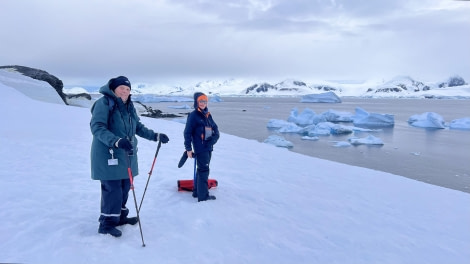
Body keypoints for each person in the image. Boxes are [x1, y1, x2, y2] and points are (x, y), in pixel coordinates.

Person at [90, 76, 169, 237]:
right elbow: (97, 127)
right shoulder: (104, 103)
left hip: (127, 155)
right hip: (109, 154)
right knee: (112, 190)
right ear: (113, 89)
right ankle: (106, 224)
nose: (125, 92)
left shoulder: (129, 106)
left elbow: (137, 127)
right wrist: (116, 141)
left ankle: (119, 218)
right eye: (122, 88)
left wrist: (155, 136)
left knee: (125, 187)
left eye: (127, 89)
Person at [183, 92, 220, 202]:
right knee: (204, 170)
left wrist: (214, 139)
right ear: (196, 102)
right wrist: (188, 148)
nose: (203, 103)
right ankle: (203, 196)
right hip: (201, 148)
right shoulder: (194, 116)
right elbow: (187, 133)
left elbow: (215, 128)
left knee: (201, 170)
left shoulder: (208, 115)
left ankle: (197, 192)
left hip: (208, 147)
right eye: (201, 101)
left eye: (205, 101)